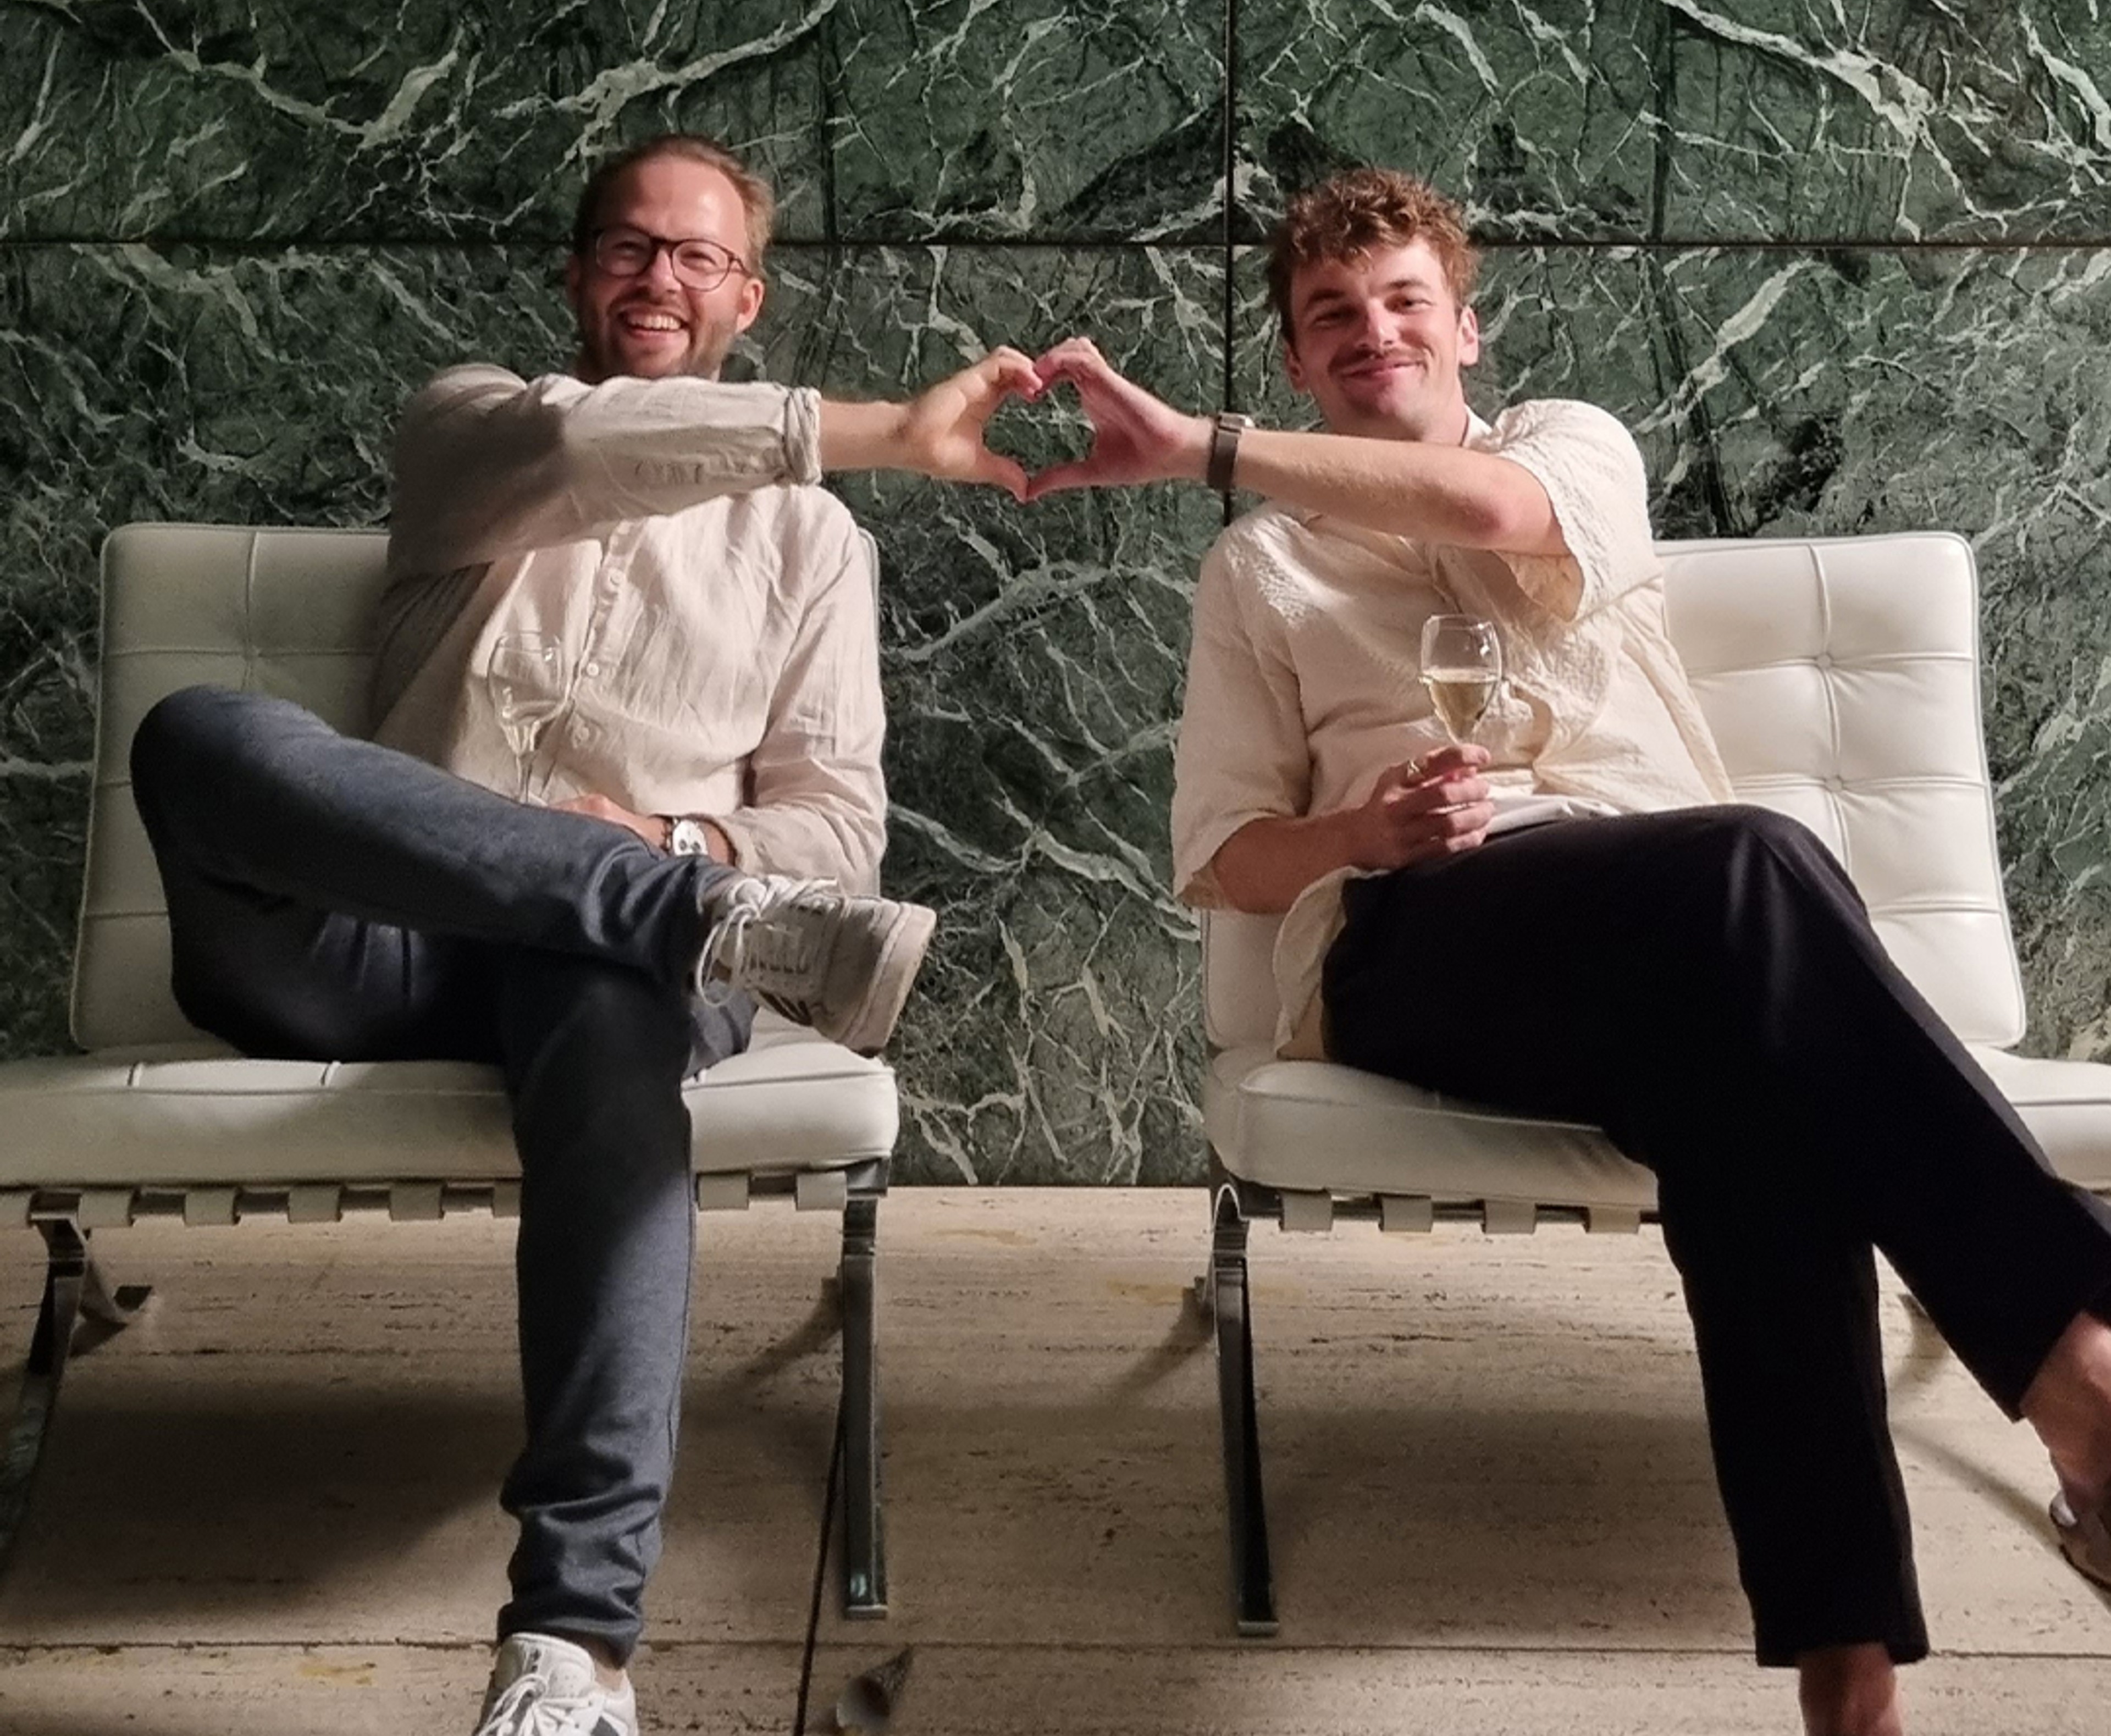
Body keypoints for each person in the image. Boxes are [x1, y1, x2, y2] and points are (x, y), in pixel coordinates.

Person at [1025, 167, 2111, 1736]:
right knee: (1760, 861)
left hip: (1671, 919)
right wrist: (1363, 835)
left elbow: (1491, 514)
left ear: (1468, 330)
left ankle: (1848, 1681)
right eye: (1331, 315)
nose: (1372, 331)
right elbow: (1223, 856)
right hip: (1415, 941)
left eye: (1405, 301)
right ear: (1298, 361)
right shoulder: (1257, 568)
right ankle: (2079, 1378)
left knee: (1751, 1098)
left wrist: (1201, 443)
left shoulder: (1570, 443)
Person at [126, 134, 1041, 1736]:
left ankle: (572, 1654)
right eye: (628, 247)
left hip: (609, 978)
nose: (658, 279)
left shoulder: (812, 547)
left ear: (749, 299)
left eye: (698, 257)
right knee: (200, 735)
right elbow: (583, 444)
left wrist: (685, 842)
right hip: (376, 949)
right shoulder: (472, 429)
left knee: (616, 990)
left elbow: (836, 834)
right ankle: (687, 920)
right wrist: (889, 431)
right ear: (576, 274)